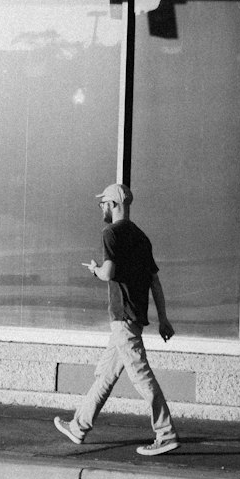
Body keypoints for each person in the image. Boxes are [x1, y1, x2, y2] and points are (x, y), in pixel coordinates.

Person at [54, 182, 178, 455]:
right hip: (133, 318)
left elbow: (109, 273)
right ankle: (79, 426)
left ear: (113, 205)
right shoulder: (142, 237)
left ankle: (165, 433)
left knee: (141, 376)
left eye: (103, 204)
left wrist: (96, 270)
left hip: (122, 318)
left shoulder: (111, 233)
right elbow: (154, 282)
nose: (101, 208)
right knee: (105, 375)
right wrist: (164, 320)